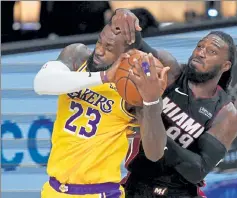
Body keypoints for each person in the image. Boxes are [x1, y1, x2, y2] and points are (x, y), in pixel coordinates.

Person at [34, 8, 180, 198]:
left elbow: (155, 153)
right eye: (99, 42)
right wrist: (103, 77)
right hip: (53, 189)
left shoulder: (134, 91)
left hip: (99, 192)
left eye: (109, 49)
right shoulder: (77, 56)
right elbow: (41, 83)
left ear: (127, 55)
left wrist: (152, 102)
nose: (99, 51)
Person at [116, 13, 237, 197]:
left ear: (225, 65)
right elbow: (138, 45)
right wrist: (127, 20)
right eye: (200, 46)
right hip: (137, 183)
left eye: (211, 51)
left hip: (180, 191)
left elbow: (197, 170)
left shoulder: (226, 114)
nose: (200, 52)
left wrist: (151, 129)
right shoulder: (170, 70)